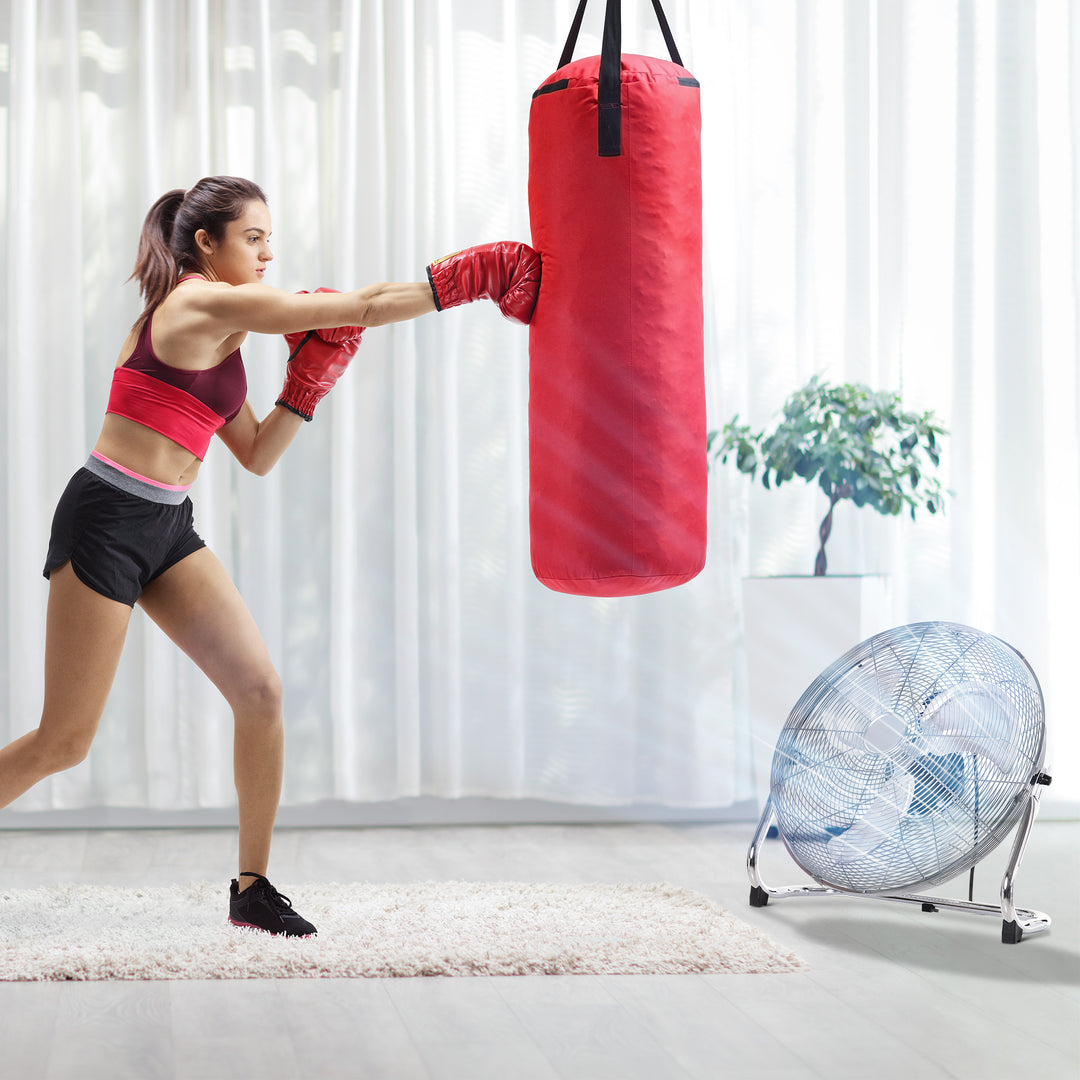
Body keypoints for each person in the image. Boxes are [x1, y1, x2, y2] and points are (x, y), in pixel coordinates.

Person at [0, 175, 541, 936]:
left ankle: (251, 890)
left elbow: (254, 454)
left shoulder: (224, 335)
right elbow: (361, 304)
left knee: (260, 692)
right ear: (205, 244)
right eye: (253, 237)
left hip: (165, 523)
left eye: (267, 237)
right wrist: (472, 278)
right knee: (65, 741)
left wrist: (307, 383)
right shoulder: (197, 303)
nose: (267, 252)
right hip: (106, 518)